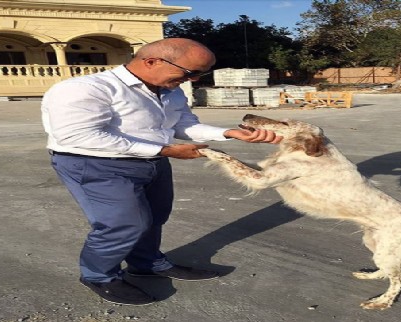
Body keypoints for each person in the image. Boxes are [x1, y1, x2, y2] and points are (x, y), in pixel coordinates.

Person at [41, 38, 282, 306]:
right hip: (95, 163)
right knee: (123, 224)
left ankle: (146, 263)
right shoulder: (86, 89)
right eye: (189, 72)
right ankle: (98, 275)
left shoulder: (171, 90)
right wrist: (165, 151)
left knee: (155, 216)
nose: (194, 79)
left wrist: (227, 133)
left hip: (152, 160)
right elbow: (80, 137)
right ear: (152, 61)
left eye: (201, 74)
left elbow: (184, 125)